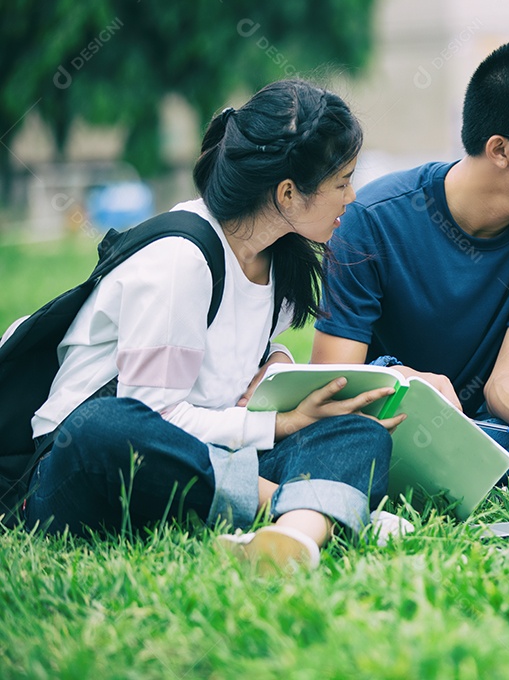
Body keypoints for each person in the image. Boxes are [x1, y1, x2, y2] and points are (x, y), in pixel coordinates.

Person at [25, 79, 408, 571]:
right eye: (342, 182)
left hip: (204, 457)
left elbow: (245, 343)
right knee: (106, 427)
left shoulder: (272, 255)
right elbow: (153, 416)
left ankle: (291, 536)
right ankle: (300, 508)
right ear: (288, 193)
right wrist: (277, 423)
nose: (351, 197)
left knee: (356, 432)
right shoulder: (180, 260)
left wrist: (277, 363)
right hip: (88, 468)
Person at [312, 38, 509, 481]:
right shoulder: (370, 220)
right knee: (349, 439)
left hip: (486, 428)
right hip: (392, 421)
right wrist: (407, 381)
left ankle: (463, 471)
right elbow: (332, 381)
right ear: (500, 150)